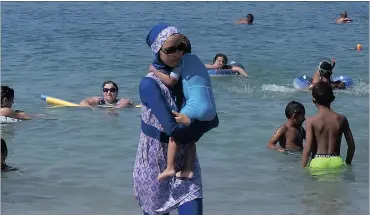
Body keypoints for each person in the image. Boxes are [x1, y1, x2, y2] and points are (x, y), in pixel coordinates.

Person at [133, 23, 219, 215]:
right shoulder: (149, 84)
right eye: (170, 50)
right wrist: (195, 129)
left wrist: (194, 127)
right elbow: (172, 129)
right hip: (154, 162)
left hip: (186, 160)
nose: (177, 54)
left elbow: (213, 118)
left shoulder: (186, 78)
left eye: (181, 47)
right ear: (157, 51)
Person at [148, 33, 218, 181]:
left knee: (175, 136)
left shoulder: (180, 62)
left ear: (181, 52)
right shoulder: (197, 60)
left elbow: (170, 82)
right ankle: (188, 169)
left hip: (195, 106)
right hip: (211, 109)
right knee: (191, 137)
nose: (175, 54)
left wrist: (154, 70)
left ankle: (170, 168)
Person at [302, 82, 355, 168]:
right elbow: (351, 145)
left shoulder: (311, 121)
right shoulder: (341, 119)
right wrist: (347, 163)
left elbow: (307, 149)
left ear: (313, 100)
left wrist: (303, 168)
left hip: (318, 162)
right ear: (333, 98)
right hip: (336, 161)